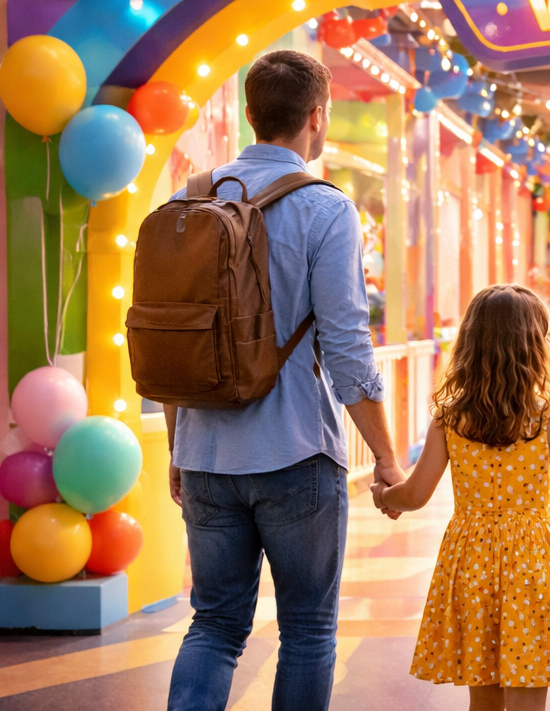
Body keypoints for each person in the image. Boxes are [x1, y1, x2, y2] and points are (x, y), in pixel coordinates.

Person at [165, 50, 402, 711]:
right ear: (317, 118)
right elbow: (348, 350)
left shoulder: (194, 198)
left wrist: (177, 448)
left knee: (213, 625)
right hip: (298, 452)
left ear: (250, 112)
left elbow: (179, 338)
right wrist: (385, 456)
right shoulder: (324, 208)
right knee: (305, 631)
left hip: (206, 453)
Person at [373, 284, 550, 711]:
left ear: (470, 345)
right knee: (528, 694)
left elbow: (415, 495)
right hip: (532, 564)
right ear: (533, 348)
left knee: (483, 695)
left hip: (469, 561)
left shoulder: (449, 418)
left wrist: (386, 495)